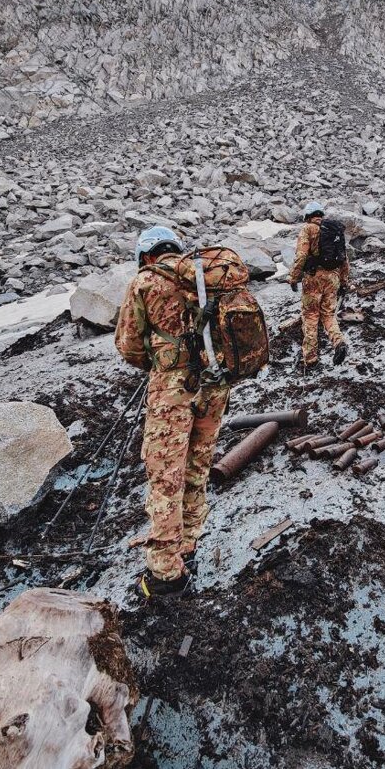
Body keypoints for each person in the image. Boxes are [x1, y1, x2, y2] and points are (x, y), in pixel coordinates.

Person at [114, 226, 231, 599]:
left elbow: (128, 345)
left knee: (166, 478)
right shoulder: (205, 276)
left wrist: (159, 361)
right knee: (197, 466)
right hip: (215, 384)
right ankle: (188, 545)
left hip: (173, 391)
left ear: (147, 256)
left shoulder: (146, 281)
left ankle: (166, 574)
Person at [289, 202, 349, 368]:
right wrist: (344, 282)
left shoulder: (308, 229)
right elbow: (344, 259)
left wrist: (293, 278)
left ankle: (311, 359)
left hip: (313, 279)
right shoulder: (333, 230)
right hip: (333, 278)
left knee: (310, 316)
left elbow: (301, 256)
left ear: (307, 216)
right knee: (328, 315)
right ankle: (339, 342)